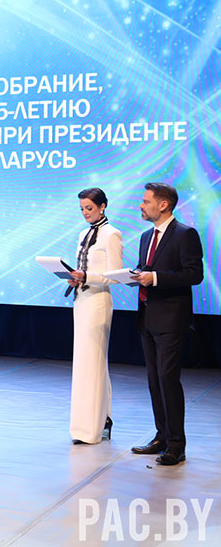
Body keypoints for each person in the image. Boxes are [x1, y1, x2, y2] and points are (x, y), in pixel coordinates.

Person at [129, 183, 203, 465]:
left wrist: (156, 278)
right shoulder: (146, 236)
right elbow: (146, 269)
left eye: (146, 201)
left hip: (171, 319)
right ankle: (161, 436)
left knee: (168, 380)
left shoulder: (185, 234)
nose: (141, 205)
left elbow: (194, 274)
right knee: (154, 381)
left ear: (163, 205)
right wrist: (135, 275)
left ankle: (176, 445)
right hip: (147, 316)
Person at [67, 188, 123, 444]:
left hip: (98, 302)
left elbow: (115, 276)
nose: (85, 213)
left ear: (102, 206)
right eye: (82, 209)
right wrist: (75, 277)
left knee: (93, 363)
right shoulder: (83, 234)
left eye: (89, 208)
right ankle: (103, 420)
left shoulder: (111, 234)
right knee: (86, 363)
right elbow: (84, 268)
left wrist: (87, 276)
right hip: (82, 300)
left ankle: (90, 429)